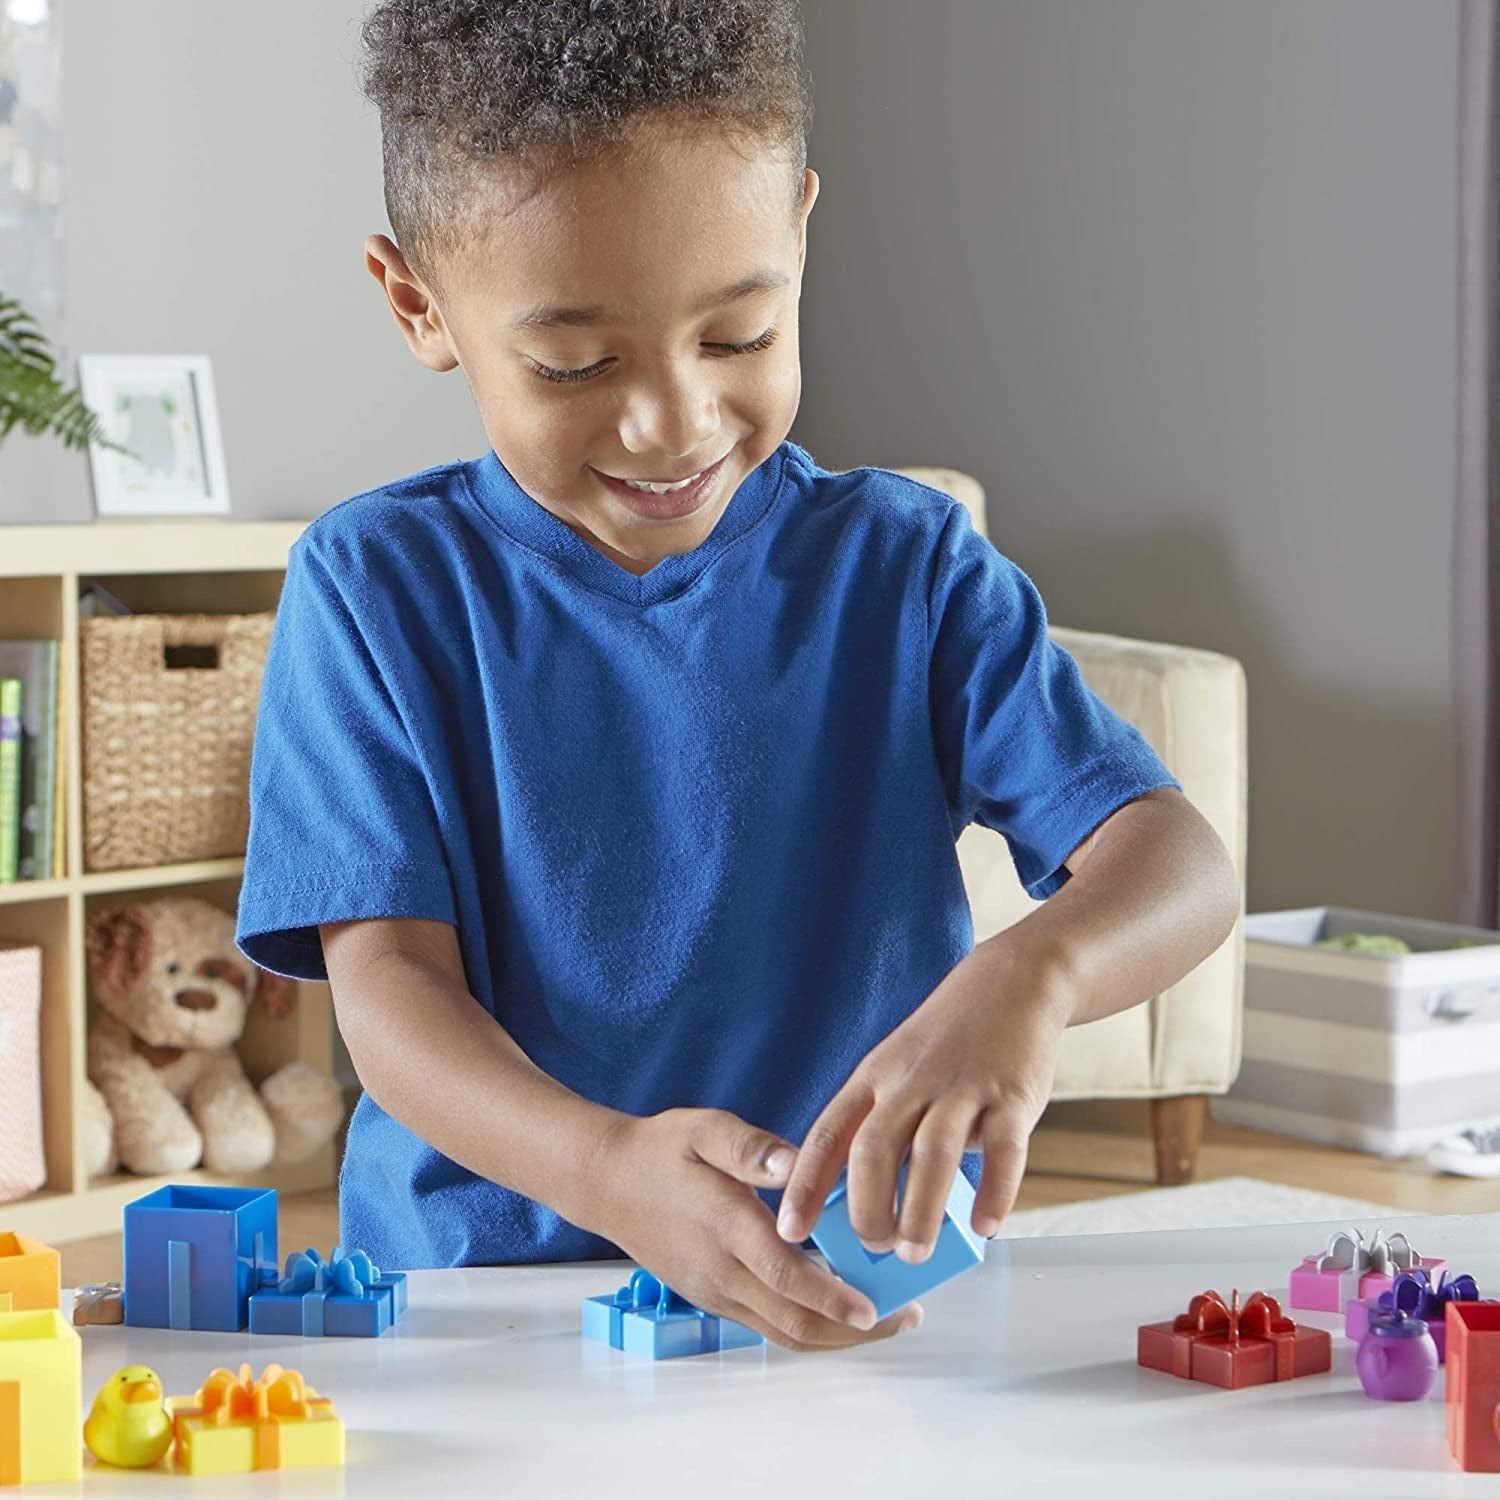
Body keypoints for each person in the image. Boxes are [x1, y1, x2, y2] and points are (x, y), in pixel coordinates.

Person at [235, 0, 1240, 1353]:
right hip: (483, 1302)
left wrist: (1034, 979)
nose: (674, 422)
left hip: (848, 1292)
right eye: (576, 362)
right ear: (421, 303)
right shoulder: (373, 588)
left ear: (801, 237)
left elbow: (1177, 863)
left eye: (738, 337)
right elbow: (391, 996)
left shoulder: (909, 570)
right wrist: (604, 1172)